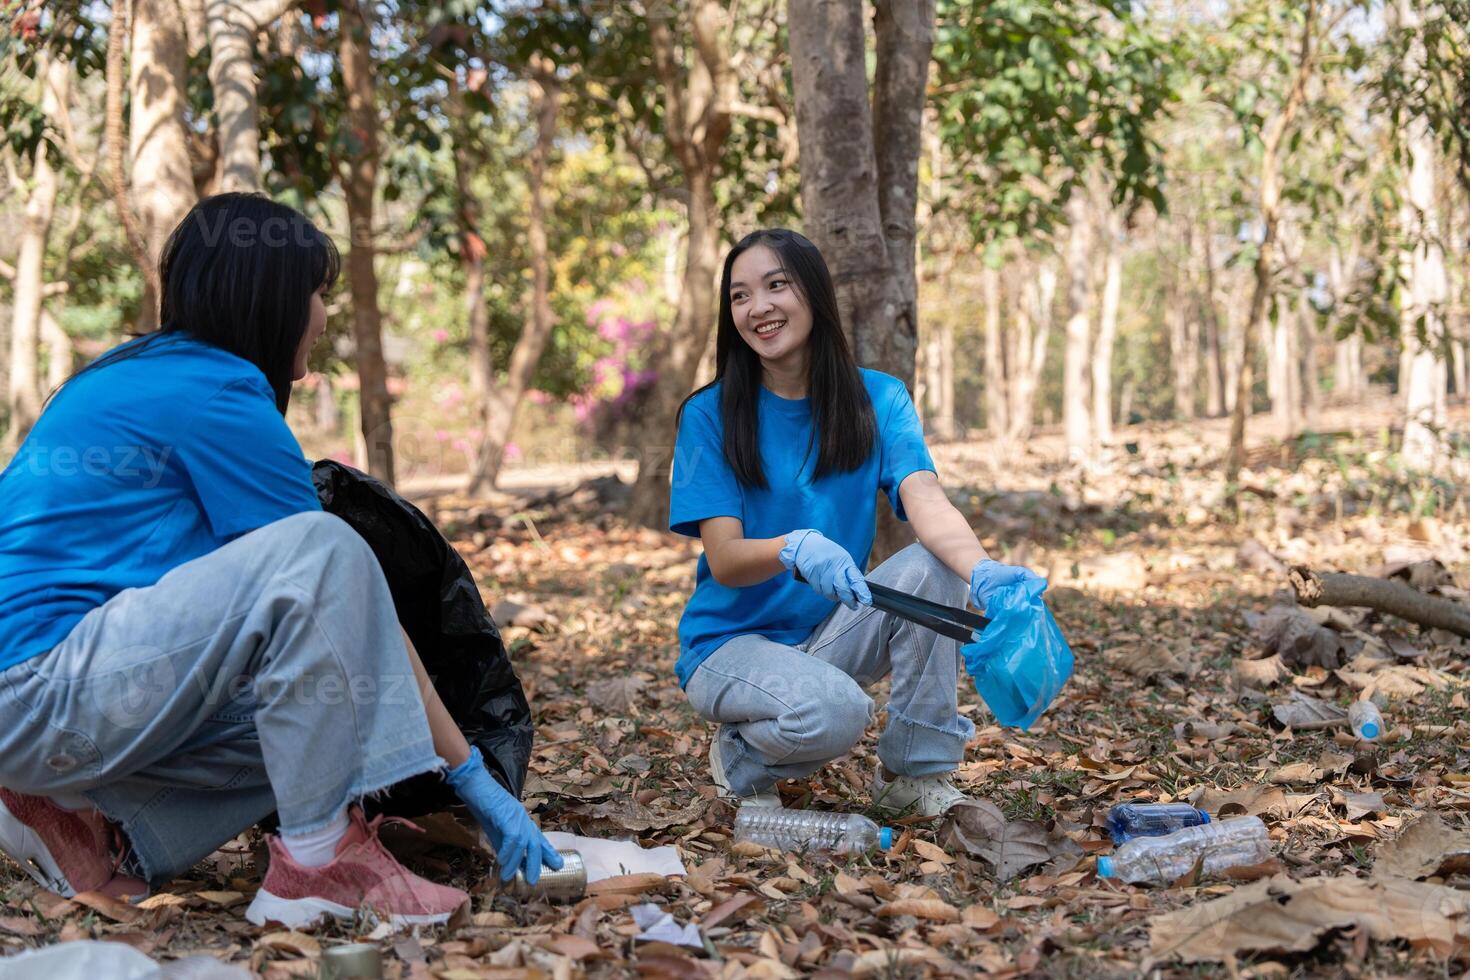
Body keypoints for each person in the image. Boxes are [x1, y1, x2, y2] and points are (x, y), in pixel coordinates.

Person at [0, 193, 560, 928]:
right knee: (327, 546)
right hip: (45, 687)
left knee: (321, 722)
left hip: (46, 698)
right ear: (271, 296)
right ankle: (320, 865)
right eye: (319, 294)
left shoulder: (134, 371)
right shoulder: (217, 391)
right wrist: (470, 773)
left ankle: (91, 822)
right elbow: (338, 596)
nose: (324, 316)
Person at [668, 229, 1044, 816]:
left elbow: (925, 498)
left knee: (935, 567)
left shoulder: (879, 399)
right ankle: (742, 754)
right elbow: (726, 560)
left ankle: (914, 775)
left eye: (776, 285)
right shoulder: (709, 414)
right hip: (730, 646)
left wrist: (985, 571)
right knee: (838, 713)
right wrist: (794, 548)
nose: (758, 307)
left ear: (815, 294)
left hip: (827, 635)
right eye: (740, 296)